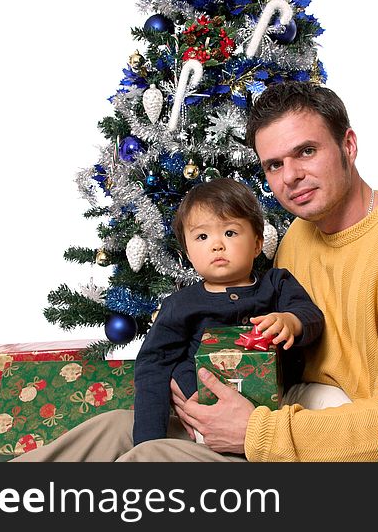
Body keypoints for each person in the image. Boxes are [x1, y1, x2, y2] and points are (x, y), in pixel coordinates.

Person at [13, 81, 378, 462]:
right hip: (279, 414)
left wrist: (256, 432)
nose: (290, 176)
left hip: (344, 456)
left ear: (348, 146)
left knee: (150, 460)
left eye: (307, 151)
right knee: (113, 430)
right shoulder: (298, 236)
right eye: (274, 164)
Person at [132, 177, 323, 445]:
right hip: (207, 413)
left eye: (230, 233)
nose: (217, 244)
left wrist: (291, 321)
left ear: (257, 243)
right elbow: (153, 366)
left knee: (326, 403)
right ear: (187, 252)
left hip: (277, 406)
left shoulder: (276, 284)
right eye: (202, 236)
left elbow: (311, 315)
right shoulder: (180, 305)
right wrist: (148, 440)